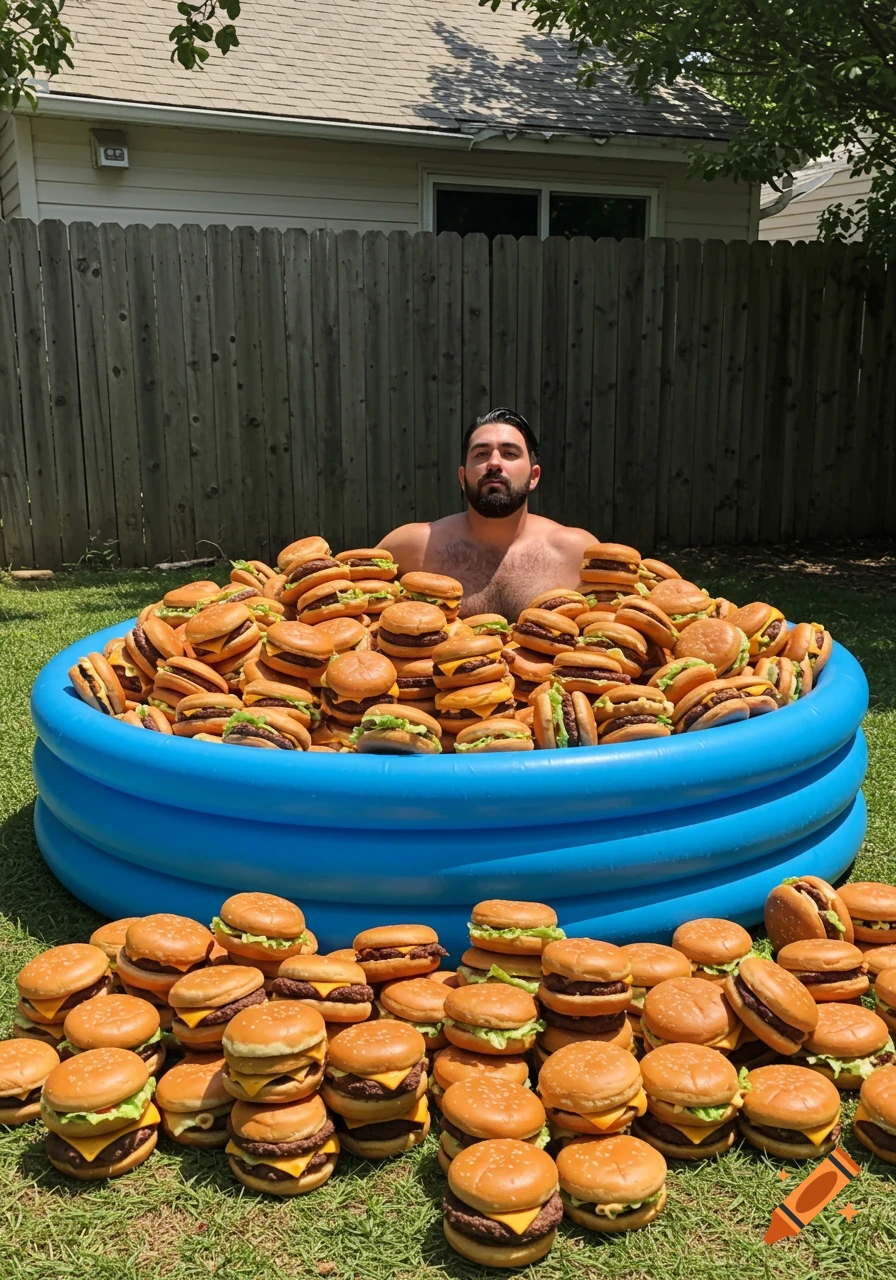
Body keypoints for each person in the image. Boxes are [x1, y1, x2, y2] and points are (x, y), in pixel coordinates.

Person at [378, 408, 597, 621]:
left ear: (534, 476)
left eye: (509, 453)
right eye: (481, 454)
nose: (494, 463)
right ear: (463, 478)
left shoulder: (579, 554)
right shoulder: (410, 547)